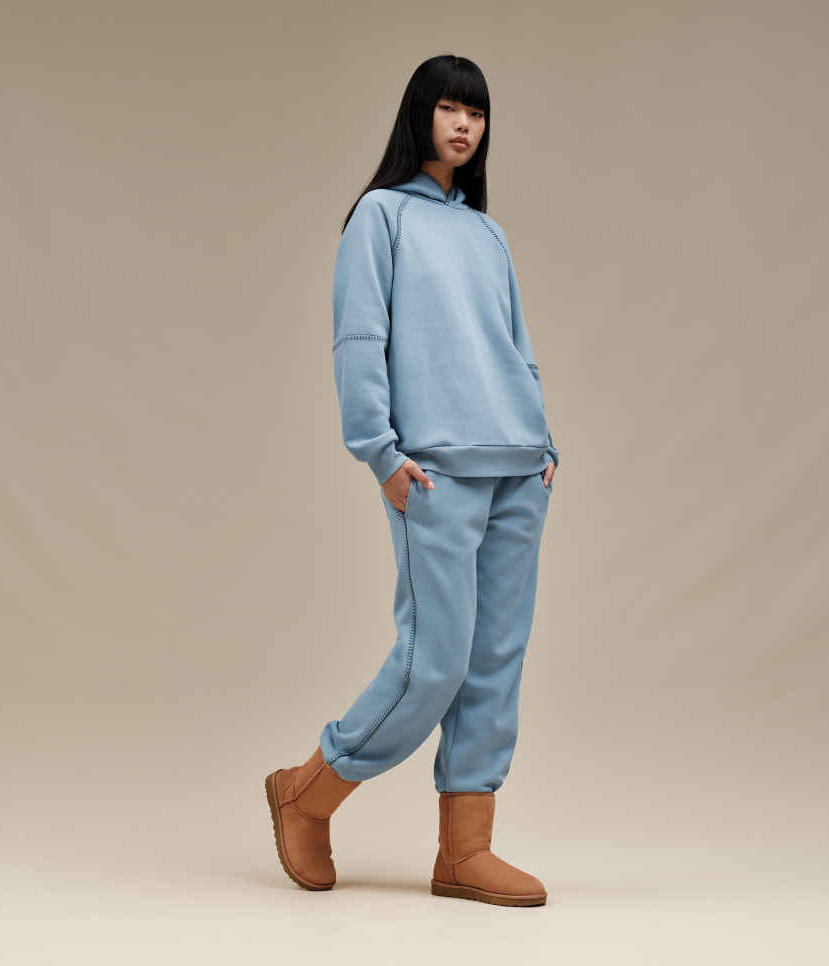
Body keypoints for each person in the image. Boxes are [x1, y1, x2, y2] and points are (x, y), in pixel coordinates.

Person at [265, 54, 559, 908]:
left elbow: (516, 345)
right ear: (420, 115)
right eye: (450, 108)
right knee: (434, 662)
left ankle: (465, 852)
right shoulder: (381, 216)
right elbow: (360, 339)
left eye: (477, 112)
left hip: (518, 470)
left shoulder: (487, 233)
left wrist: (544, 444)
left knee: (493, 663)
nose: (464, 125)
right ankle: (307, 792)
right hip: (433, 474)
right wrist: (381, 453)